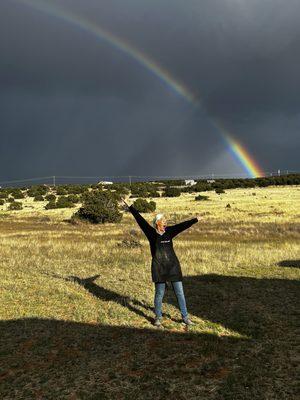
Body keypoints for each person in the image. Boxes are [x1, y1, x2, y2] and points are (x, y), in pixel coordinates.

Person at [121, 198, 200, 327]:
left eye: (166, 221)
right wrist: (129, 206)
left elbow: (182, 226)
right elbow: (139, 219)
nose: (165, 223)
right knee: (159, 294)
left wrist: (195, 220)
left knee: (180, 293)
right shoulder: (151, 233)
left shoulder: (169, 231)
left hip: (173, 267)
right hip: (159, 268)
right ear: (157, 223)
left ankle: (185, 317)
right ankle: (158, 317)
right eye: (163, 221)